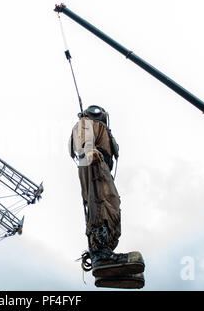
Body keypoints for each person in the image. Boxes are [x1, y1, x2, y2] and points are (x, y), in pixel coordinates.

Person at [69, 105, 145, 288]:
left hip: (102, 167)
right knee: (100, 201)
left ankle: (106, 257)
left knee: (112, 204)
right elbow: (82, 137)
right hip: (93, 162)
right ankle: (101, 252)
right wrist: (88, 151)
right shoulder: (87, 123)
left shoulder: (103, 130)